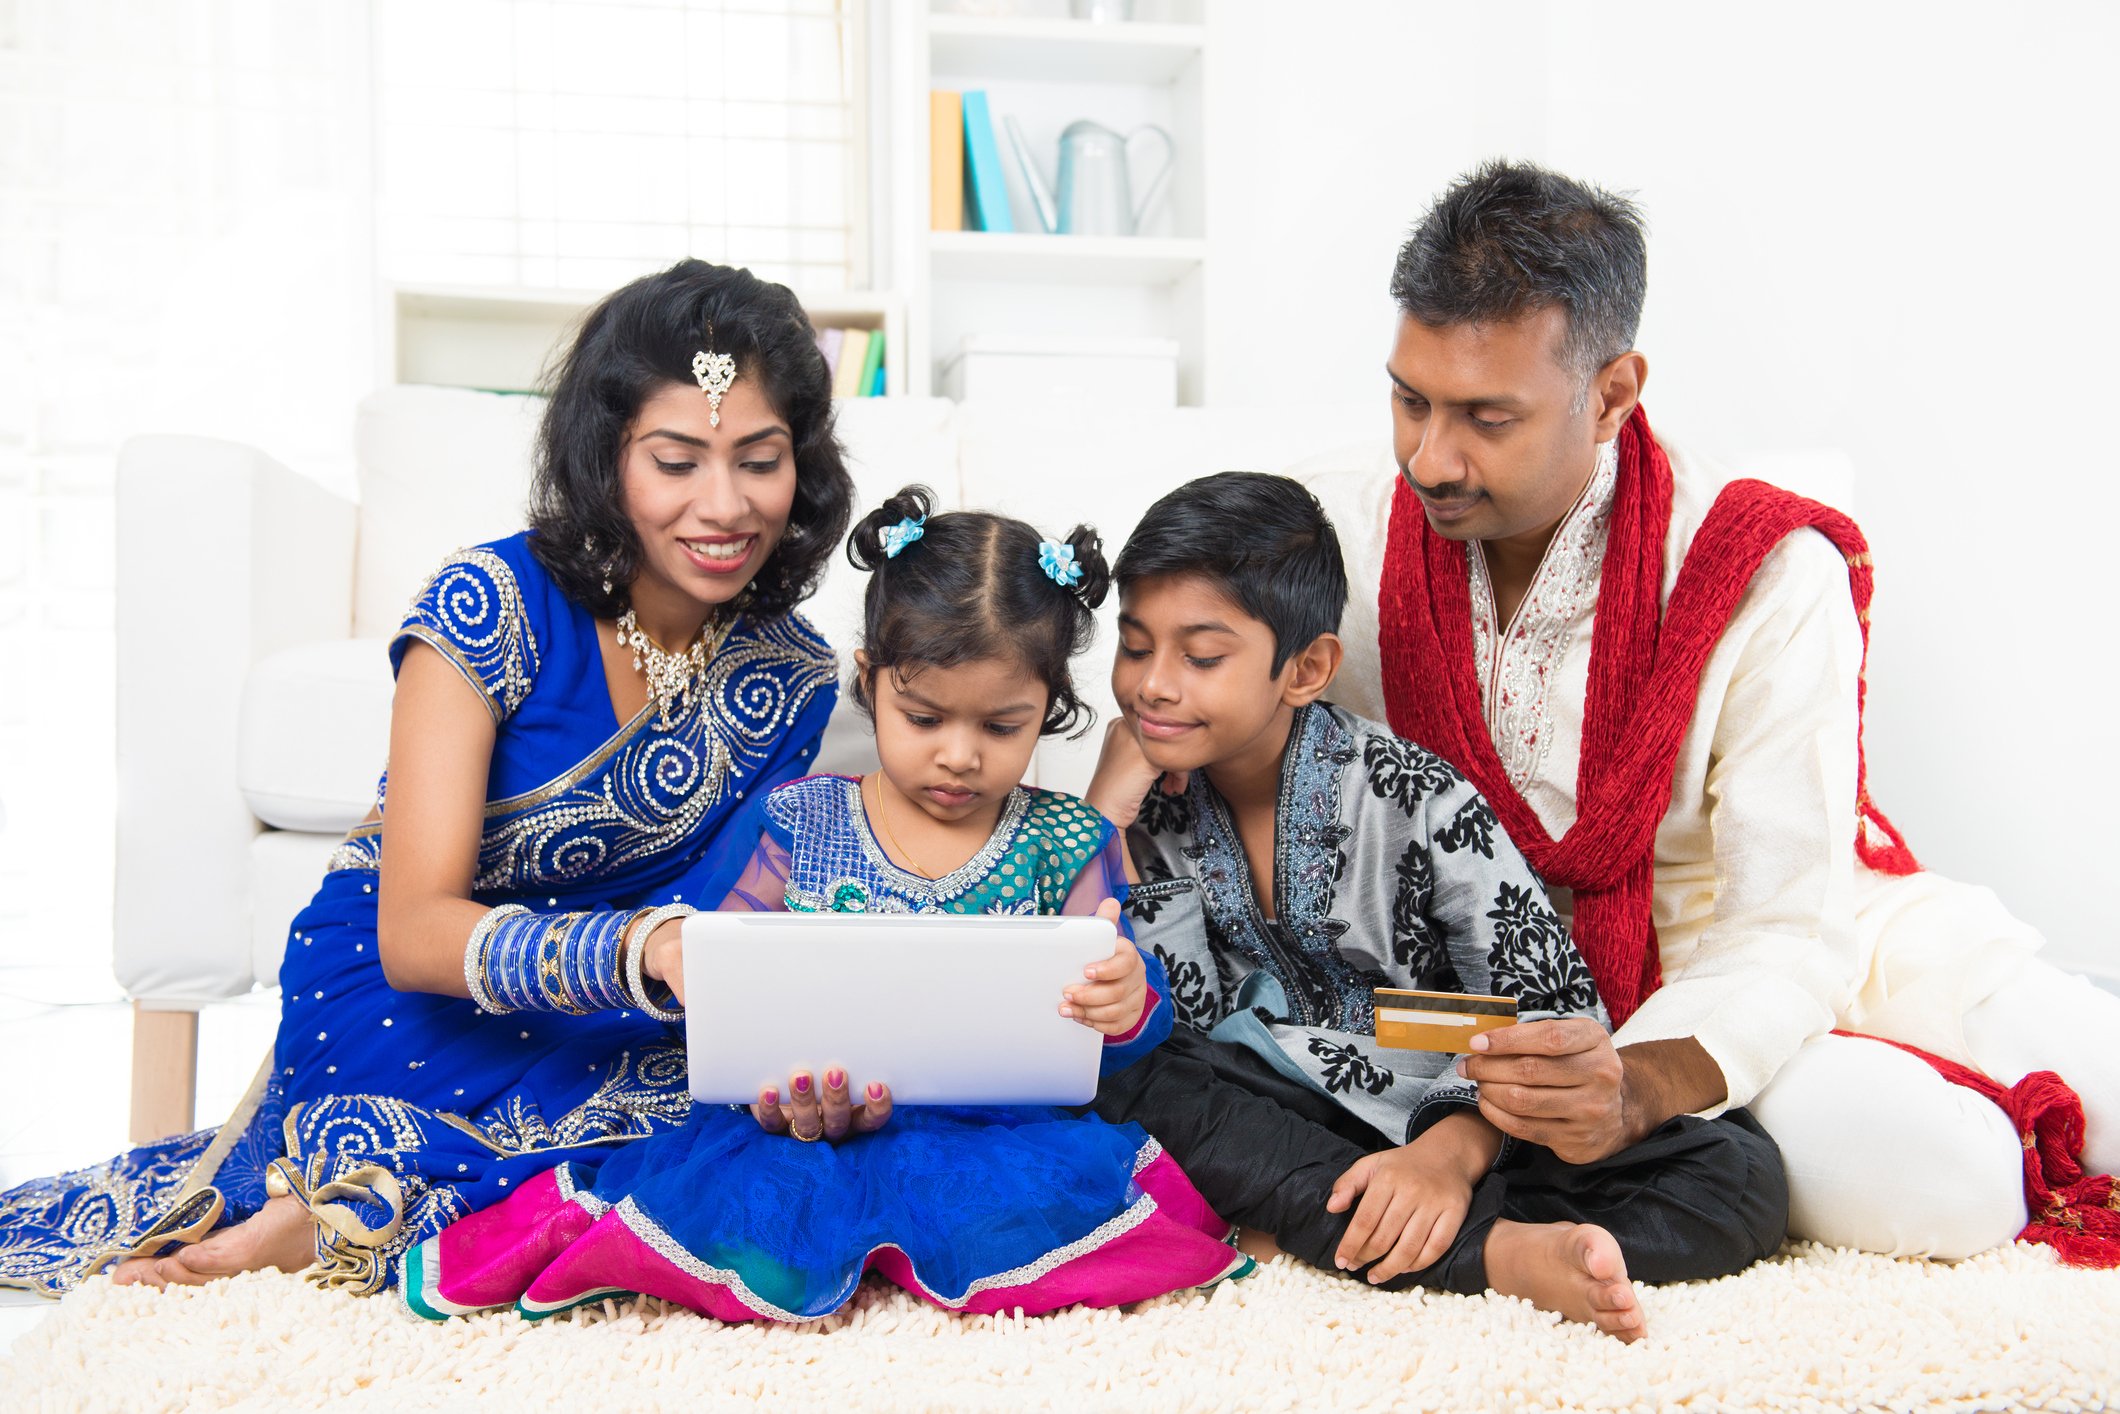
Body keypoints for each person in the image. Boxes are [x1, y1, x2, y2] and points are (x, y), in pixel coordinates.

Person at [0, 259, 857, 1298]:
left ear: (799, 468)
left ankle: (343, 1215)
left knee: (792, 1123)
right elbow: (411, 930)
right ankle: (332, 1207)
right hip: (414, 994)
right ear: (606, 458)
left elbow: (721, 914)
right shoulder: (488, 603)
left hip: (623, 1012)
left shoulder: (791, 676)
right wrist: (639, 947)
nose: (722, 506)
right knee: (646, 1155)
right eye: (675, 461)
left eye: (757, 461)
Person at [1315, 158, 2120, 1262]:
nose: (1427, 455)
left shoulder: (1763, 562)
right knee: (1958, 1189)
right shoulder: (1336, 536)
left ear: (1611, 392)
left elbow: (1788, 918)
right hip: (1572, 1003)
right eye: (1408, 398)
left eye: (1485, 417)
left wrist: (1637, 1090)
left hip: (1780, 941)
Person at [400, 487, 1248, 1323]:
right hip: (804, 1126)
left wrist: (1126, 999)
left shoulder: (1069, 839)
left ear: (1049, 711)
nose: (958, 757)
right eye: (922, 717)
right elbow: (721, 969)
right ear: (872, 682)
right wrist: (765, 1074)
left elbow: (1127, 1014)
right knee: (741, 1209)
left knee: (1033, 1219)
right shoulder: (804, 817)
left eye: (1001, 727)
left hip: (997, 1130)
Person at [1082, 472, 1787, 1341]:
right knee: (1138, 1085)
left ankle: (1370, 1220)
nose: (1152, 685)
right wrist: (1103, 817)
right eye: (1135, 645)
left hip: (1463, 1105)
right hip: (1271, 1106)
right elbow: (1158, 1013)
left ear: (1306, 668)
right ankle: (1498, 1259)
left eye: (1200, 656)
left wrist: (1448, 1158)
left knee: (1737, 1177)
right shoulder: (1141, 807)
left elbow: (1549, 1011)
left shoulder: (1415, 795)